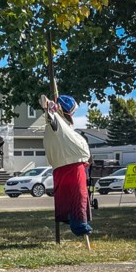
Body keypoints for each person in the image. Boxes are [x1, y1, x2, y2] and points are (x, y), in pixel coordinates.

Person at [41, 94, 93, 237]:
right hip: (70, 166)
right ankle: (79, 224)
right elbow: (49, 113)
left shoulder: (65, 126)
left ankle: (75, 220)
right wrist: (50, 106)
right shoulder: (55, 120)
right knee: (77, 196)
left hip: (72, 165)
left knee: (74, 196)